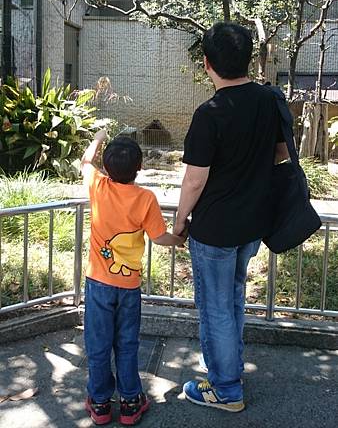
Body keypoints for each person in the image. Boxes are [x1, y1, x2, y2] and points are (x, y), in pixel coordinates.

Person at [173, 21, 288, 412]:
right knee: (234, 298)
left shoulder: (210, 113)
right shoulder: (269, 100)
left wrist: (178, 223)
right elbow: (281, 154)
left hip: (215, 230)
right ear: (249, 59)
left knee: (216, 307)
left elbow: (194, 181)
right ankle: (230, 368)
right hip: (252, 224)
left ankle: (225, 388)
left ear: (207, 63)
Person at [81, 133, 187, 426]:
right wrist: (179, 238)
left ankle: (100, 403)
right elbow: (159, 237)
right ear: (139, 167)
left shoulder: (98, 185)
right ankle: (130, 402)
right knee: (127, 343)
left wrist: (99, 137)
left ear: (107, 166)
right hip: (128, 287)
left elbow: (86, 161)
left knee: (98, 343)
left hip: (97, 284)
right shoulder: (145, 199)